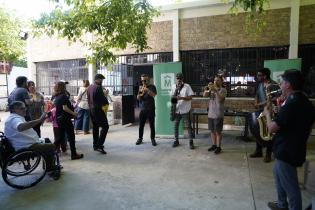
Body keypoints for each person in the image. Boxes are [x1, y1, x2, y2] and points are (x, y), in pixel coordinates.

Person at [262, 70, 315, 210]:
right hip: (294, 148)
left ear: (289, 85)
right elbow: (307, 127)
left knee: (291, 188)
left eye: (282, 82)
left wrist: (267, 114)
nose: (280, 84)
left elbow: (272, 128)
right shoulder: (305, 101)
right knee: (278, 174)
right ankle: (281, 205)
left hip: (286, 151)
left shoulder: (291, 103)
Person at [4, 101, 56, 171]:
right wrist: (39, 120)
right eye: (22, 108)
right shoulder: (14, 119)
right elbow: (20, 127)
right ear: (14, 110)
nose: (25, 109)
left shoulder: (15, 117)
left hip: (25, 143)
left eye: (25, 108)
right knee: (51, 146)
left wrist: (40, 119)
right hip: (25, 147)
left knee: (47, 140)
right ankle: (50, 168)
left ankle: (47, 164)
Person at [250, 68, 279, 163]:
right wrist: (256, 102)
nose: (257, 77)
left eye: (259, 75)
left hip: (270, 112)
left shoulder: (273, 85)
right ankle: (259, 151)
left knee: (269, 133)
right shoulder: (260, 85)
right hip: (261, 111)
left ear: (264, 76)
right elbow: (257, 95)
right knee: (259, 131)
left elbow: (276, 98)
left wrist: (260, 104)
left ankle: (268, 154)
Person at [53, 81, 83, 160]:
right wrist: (74, 113)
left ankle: (50, 151)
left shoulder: (57, 96)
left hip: (60, 119)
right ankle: (74, 154)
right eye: (65, 86)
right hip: (65, 119)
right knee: (71, 137)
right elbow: (65, 108)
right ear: (63, 87)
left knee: (60, 137)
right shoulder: (63, 96)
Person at [170, 73, 195, 149]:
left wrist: (182, 98)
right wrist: (175, 95)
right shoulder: (173, 86)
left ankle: (191, 141)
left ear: (182, 79)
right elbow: (172, 98)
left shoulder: (187, 86)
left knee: (188, 126)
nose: (179, 80)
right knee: (176, 126)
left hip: (185, 110)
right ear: (176, 79)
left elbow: (191, 97)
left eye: (180, 78)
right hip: (177, 110)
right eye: (177, 78)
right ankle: (176, 140)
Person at [203, 75, 227, 154]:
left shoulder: (223, 90)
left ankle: (218, 147)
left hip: (218, 114)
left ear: (221, 81)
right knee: (212, 131)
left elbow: (220, 99)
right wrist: (208, 89)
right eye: (215, 80)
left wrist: (216, 91)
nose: (216, 81)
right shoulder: (211, 90)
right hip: (210, 113)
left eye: (218, 80)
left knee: (218, 132)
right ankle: (213, 145)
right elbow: (204, 96)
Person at [87, 74, 109, 154]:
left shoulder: (89, 87)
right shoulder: (98, 87)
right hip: (97, 110)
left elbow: (89, 98)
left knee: (95, 127)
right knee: (105, 127)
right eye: (101, 80)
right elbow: (103, 100)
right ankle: (99, 145)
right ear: (97, 80)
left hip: (91, 110)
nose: (101, 81)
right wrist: (105, 94)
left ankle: (95, 145)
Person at [135, 74, 157, 146]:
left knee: (152, 125)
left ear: (148, 80)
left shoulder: (152, 86)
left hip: (150, 108)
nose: (143, 82)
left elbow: (154, 95)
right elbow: (139, 98)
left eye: (145, 80)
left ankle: (153, 139)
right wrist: (138, 96)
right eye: (142, 80)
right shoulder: (140, 87)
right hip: (143, 109)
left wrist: (147, 90)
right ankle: (140, 138)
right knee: (141, 125)